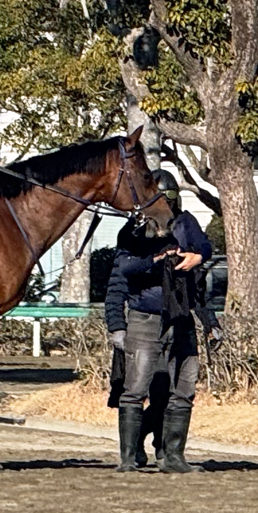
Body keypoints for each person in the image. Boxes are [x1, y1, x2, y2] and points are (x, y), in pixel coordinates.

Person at [104, 169, 220, 473]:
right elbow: (122, 274)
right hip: (144, 319)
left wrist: (197, 258)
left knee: (184, 388)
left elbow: (204, 252)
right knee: (135, 389)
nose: (164, 207)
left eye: (168, 200)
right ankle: (129, 458)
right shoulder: (132, 232)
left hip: (181, 316)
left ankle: (173, 457)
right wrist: (116, 324)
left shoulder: (186, 223)